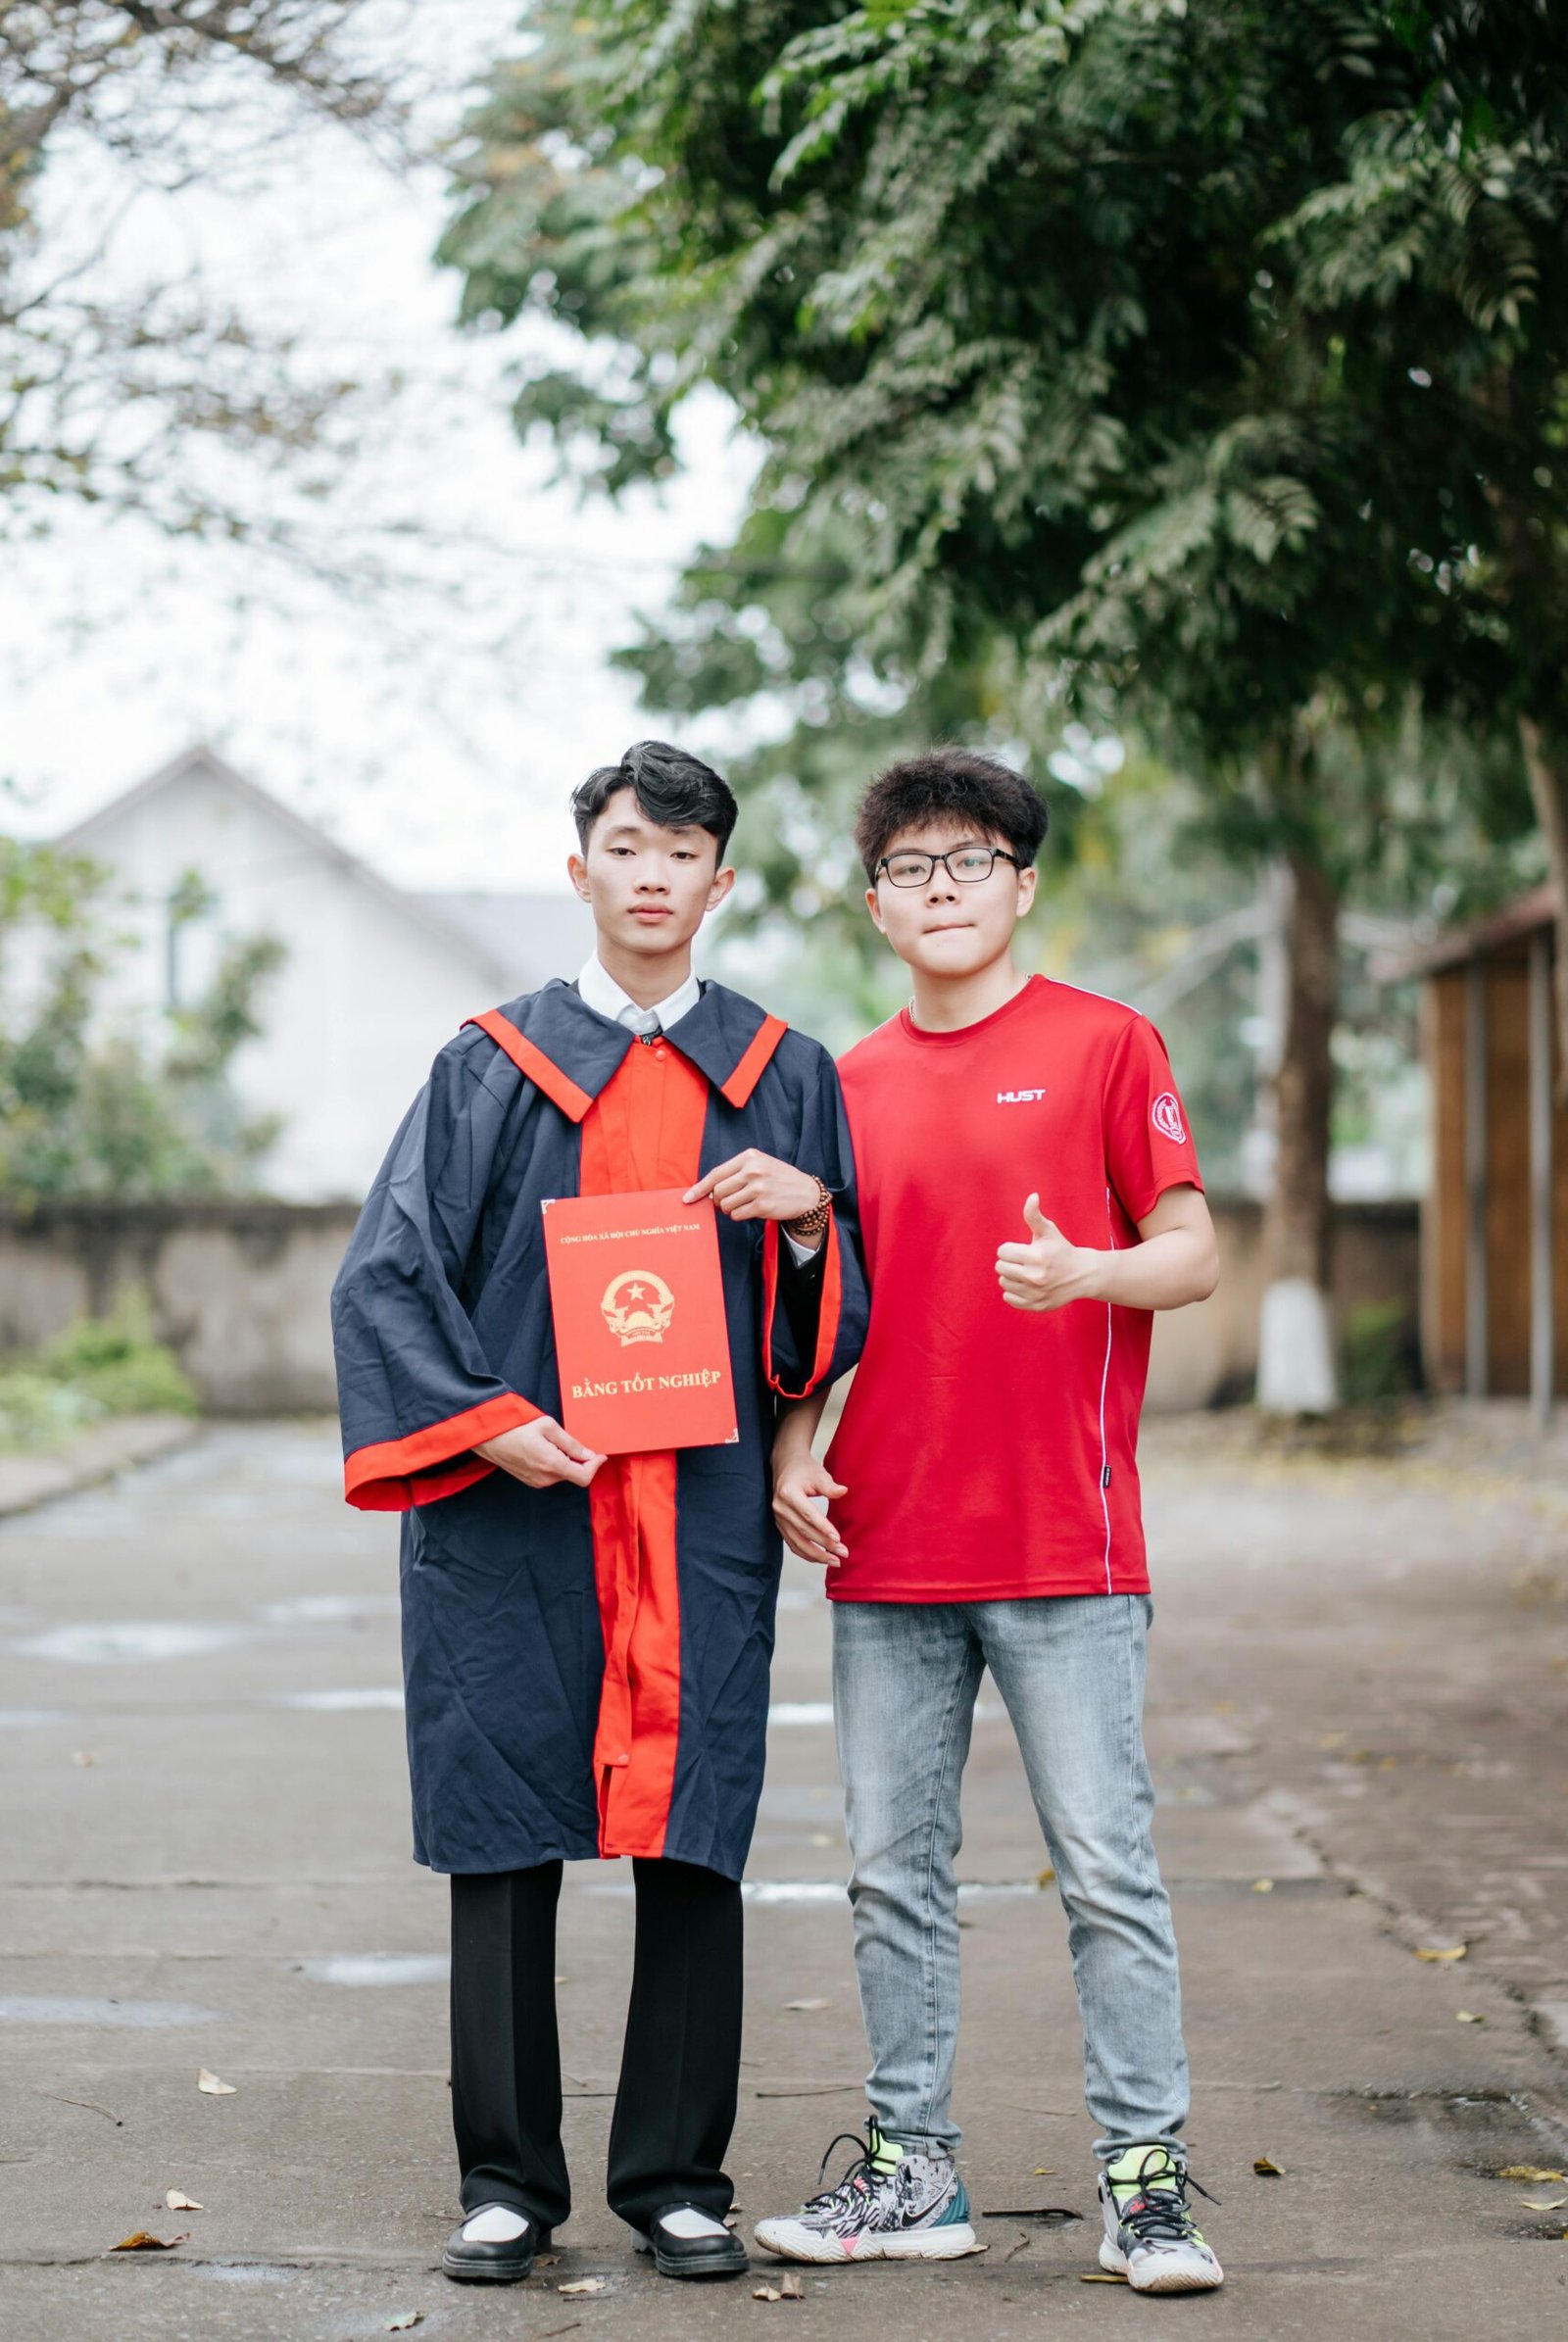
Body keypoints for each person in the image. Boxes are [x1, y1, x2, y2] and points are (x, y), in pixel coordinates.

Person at [331, 742, 865, 2287]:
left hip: (695, 1513)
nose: (652, 872)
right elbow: (388, 1274)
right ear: (583, 869)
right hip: (518, 1514)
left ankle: (678, 2178)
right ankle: (506, 2180)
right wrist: (491, 1427)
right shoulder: (490, 1063)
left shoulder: (785, 1075)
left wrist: (813, 1221)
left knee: (694, 1833)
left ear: (720, 878)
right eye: (626, 846)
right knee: (504, 1834)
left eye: (683, 849)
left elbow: (827, 1323)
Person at [755, 746, 1225, 2296]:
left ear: (1022, 884)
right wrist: (796, 1451)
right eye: (911, 868)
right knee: (892, 1870)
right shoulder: (847, 1083)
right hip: (884, 1546)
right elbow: (836, 1308)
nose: (941, 890)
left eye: (971, 863)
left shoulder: (1104, 1045)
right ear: (877, 903)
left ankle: (1147, 2187)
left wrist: (1087, 1272)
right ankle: (913, 2174)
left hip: (1065, 1548)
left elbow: (1195, 1248)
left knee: (1106, 1868)